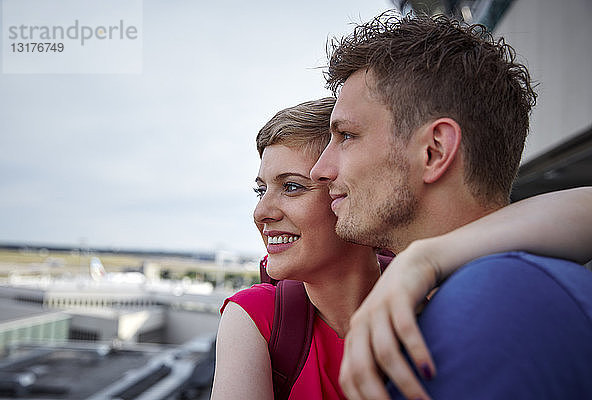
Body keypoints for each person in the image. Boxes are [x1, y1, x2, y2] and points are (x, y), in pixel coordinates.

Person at [210, 97, 592, 399]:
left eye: (292, 186)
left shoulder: (428, 287)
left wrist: (428, 260)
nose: (261, 212)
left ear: (343, 191)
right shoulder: (257, 318)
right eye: (262, 190)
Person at [309, 11, 592, 400]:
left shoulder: (495, 306)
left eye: (346, 135)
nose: (319, 170)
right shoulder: (494, 290)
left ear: (434, 150)